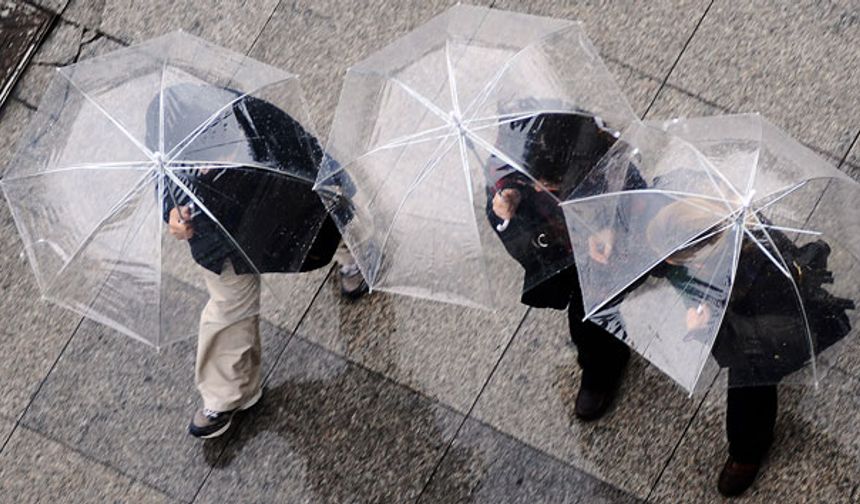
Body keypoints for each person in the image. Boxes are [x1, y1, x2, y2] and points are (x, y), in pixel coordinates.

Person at [149, 84, 344, 439]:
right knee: (228, 307)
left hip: (280, 202)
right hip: (219, 236)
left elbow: (308, 165)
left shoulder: (254, 120)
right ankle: (227, 395)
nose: (203, 166)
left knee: (329, 228)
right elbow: (161, 179)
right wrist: (172, 214)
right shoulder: (167, 123)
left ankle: (356, 255)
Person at [641, 197, 853, 497]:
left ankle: (747, 452)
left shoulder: (759, 274)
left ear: (699, 257)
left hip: (770, 331)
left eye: (673, 260)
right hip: (738, 303)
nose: (666, 266)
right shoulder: (711, 227)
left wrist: (705, 329)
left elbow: (747, 344)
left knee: (750, 387)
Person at [486, 110, 645, 421]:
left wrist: (610, 227)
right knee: (583, 317)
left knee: (592, 314)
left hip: (604, 261)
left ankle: (603, 366)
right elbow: (506, 202)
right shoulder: (516, 167)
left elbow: (643, 211)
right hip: (559, 257)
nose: (538, 188)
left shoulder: (613, 171)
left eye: (547, 184)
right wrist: (506, 209)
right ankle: (600, 365)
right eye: (533, 181)